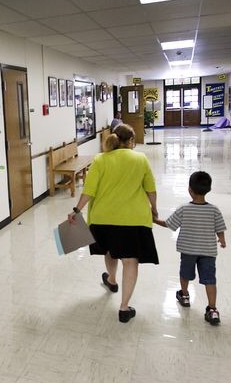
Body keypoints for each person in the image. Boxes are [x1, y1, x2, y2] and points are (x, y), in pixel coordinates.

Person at [68, 123, 159, 323]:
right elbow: (150, 189)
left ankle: (112, 280)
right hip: (133, 219)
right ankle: (124, 308)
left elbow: (88, 191)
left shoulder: (100, 159)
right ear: (131, 141)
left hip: (103, 218)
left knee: (110, 250)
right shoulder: (140, 159)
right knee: (130, 259)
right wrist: (154, 209)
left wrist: (76, 211)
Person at [154, 171, 226, 325]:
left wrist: (154, 220)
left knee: (185, 273)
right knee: (209, 279)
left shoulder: (184, 209)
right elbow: (220, 228)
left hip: (188, 250)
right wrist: (222, 239)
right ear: (209, 189)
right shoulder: (214, 210)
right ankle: (212, 310)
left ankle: (185, 296)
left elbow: (169, 224)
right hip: (208, 251)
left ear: (189, 189)